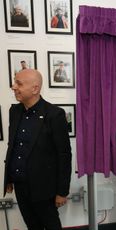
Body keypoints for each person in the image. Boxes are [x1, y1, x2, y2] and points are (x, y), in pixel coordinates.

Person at [3, 69, 72, 229]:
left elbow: (64, 155)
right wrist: (9, 178)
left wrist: (62, 191)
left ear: (35, 89)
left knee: (51, 226)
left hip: (45, 188)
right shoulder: (15, 111)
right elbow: (13, 146)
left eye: (19, 83)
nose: (13, 87)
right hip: (21, 185)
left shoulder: (55, 115)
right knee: (32, 226)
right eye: (15, 82)